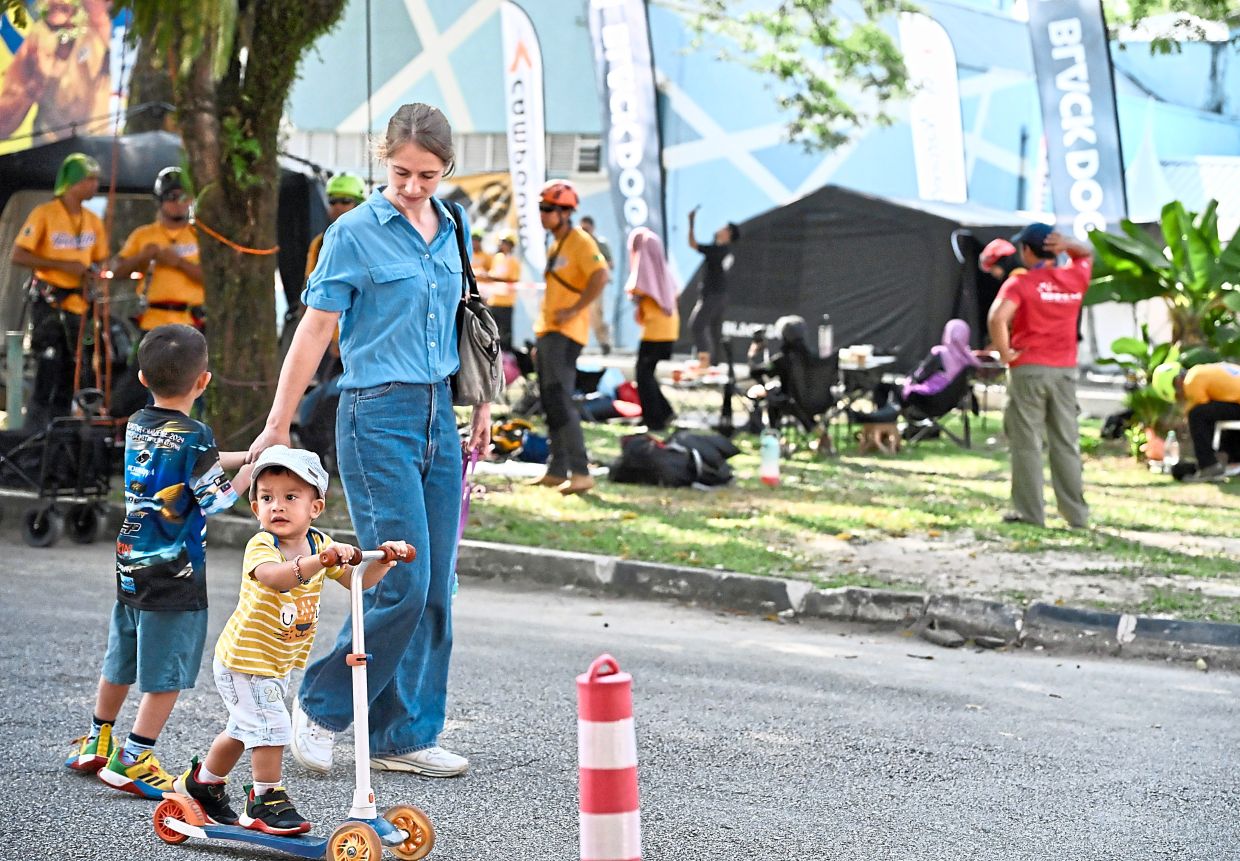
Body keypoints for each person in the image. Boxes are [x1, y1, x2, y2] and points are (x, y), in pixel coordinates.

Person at [248, 103, 490, 779]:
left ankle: (403, 733)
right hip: (375, 414)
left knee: (437, 584)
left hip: (441, 410)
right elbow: (315, 332)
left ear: (447, 169)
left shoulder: (455, 224)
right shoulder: (352, 234)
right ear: (383, 158)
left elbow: (463, 318)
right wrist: (278, 420)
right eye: (402, 171)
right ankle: (322, 708)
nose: (414, 186)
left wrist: (483, 403)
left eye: (428, 174)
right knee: (401, 577)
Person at [175, 445, 406, 833]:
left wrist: (381, 561)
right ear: (256, 509)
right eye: (266, 498)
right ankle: (265, 799)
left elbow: (356, 582)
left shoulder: (319, 543)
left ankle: (203, 783)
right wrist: (321, 562)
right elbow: (274, 577)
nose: (276, 507)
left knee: (244, 727)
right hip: (242, 661)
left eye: (290, 497)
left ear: (315, 508)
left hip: (277, 660)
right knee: (271, 727)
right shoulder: (263, 546)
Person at [65, 324, 249, 798]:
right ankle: (135, 757)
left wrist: (241, 455)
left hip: (131, 565)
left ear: (143, 379)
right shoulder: (197, 435)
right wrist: (249, 474)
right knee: (167, 671)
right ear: (203, 381)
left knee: (121, 654)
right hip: (174, 575)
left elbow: (190, 460)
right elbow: (214, 500)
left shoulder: (139, 423)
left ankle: (97, 737)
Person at [987, 223, 1091, 528]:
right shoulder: (1075, 276)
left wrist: (1005, 353)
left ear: (1027, 252)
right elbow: (1086, 253)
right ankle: (1076, 516)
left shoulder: (1019, 284)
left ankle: (1031, 514)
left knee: (1026, 442)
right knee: (1065, 442)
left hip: (1029, 369)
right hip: (1064, 371)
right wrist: (1069, 243)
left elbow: (997, 318)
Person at [11, 151, 108, 427]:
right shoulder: (44, 214)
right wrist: (62, 265)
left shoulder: (93, 220)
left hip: (80, 307)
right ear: (73, 182)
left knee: (74, 374)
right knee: (47, 372)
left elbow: (101, 258)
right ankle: (35, 438)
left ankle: (62, 443)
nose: (95, 185)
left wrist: (95, 272)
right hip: (50, 303)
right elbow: (19, 255)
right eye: (89, 179)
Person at [532, 179, 610, 495]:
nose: (543, 214)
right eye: (542, 208)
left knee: (562, 400)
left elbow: (601, 275)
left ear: (566, 213)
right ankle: (556, 468)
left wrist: (576, 308)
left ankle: (580, 470)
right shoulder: (556, 243)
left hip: (567, 333)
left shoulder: (580, 242)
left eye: (549, 209)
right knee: (550, 400)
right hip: (549, 331)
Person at [0, 0, 111, 141]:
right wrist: (30, 90)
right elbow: (3, 125)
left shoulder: (97, 27)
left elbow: (98, 13)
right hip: (47, 149)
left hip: (95, 146)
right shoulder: (38, 36)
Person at [113, 167, 204, 332]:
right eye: (172, 197)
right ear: (160, 200)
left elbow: (213, 278)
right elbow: (117, 272)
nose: (179, 203)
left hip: (191, 323)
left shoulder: (200, 235)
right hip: (152, 322)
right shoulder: (143, 235)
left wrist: (179, 263)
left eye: (184, 197)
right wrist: (142, 257)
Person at [625, 227, 679, 431]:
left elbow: (637, 286)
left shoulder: (647, 266)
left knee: (643, 373)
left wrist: (636, 296)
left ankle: (655, 419)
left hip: (657, 330)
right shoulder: (663, 271)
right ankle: (663, 412)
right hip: (666, 327)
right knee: (646, 372)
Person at [1153, 361, 1240, 482]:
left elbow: (1197, 411)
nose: (1182, 398)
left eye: (1178, 396)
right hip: (1236, 403)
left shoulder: (1191, 379)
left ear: (1177, 382)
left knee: (1197, 414)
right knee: (1209, 414)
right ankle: (1232, 459)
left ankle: (1208, 466)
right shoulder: (1201, 370)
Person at [687, 208, 739, 369]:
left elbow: (693, 244)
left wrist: (691, 223)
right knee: (715, 329)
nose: (719, 229)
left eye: (724, 228)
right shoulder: (724, 250)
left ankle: (705, 361)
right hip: (720, 295)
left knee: (697, 325)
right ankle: (715, 363)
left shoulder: (718, 250)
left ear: (728, 234)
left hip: (713, 295)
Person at [305, 172, 366, 280]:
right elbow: (309, 282)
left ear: (359, 204)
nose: (338, 206)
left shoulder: (372, 239)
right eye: (333, 201)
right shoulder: (319, 242)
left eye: (345, 201)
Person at [478, 232, 521, 349]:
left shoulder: (514, 261)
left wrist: (492, 278)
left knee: (505, 333)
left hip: (506, 302)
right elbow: (493, 274)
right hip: (494, 301)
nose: (502, 245)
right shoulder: (497, 258)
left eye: (505, 243)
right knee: (491, 330)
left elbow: (513, 280)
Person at [580, 215, 613, 356]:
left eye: (587, 229)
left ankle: (604, 342)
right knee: (579, 315)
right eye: (582, 229)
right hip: (579, 285)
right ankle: (578, 343)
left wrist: (596, 258)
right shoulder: (577, 244)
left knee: (596, 314)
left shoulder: (599, 244)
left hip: (595, 285)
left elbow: (609, 263)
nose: (585, 232)